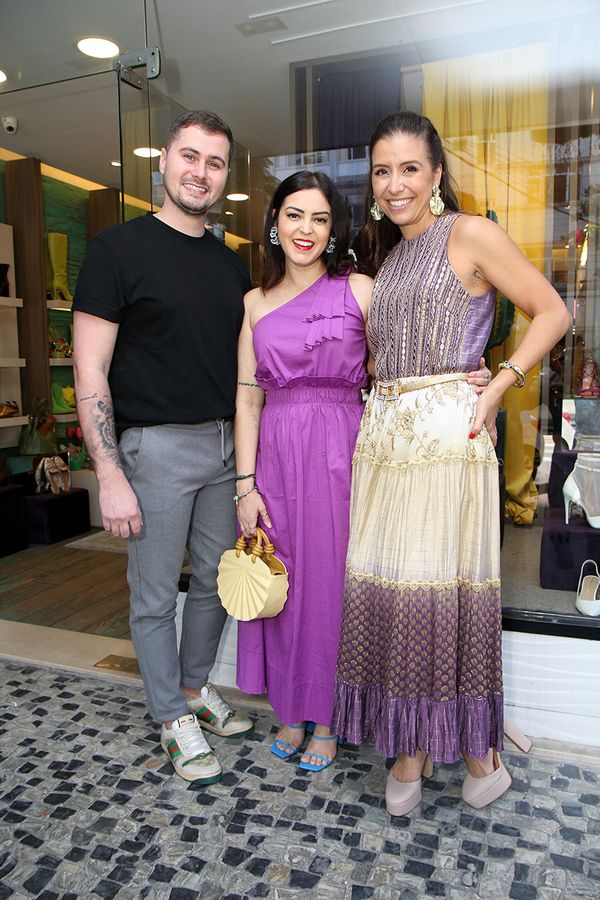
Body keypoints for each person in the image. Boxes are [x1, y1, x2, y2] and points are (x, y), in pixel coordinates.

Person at [332, 111, 571, 814]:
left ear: (436, 174)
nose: (396, 183)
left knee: (437, 594)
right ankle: (428, 743)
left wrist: (501, 382)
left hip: (446, 441)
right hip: (385, 445)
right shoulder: (390, 257)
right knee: (392, 590)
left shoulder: (469, 233)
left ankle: (468, 749)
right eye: (383, 171)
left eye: (410, 168)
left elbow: (553, 312)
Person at [233, 170, 489, 772]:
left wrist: (465, 378)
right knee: (285, 578)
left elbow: (402, 366)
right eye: (295, 215)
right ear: (274, 222)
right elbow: (247, 400)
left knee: (332, 585)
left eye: (320, 219)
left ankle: (329, 717)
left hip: (348, 449)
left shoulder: (362, 291)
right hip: (275, 455)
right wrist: (245, 486)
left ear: (333, 230)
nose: (306, 229)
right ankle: (291, 709)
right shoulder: (252, 303)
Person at [72, 110, 253, 785]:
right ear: (164, 163)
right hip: (154, 450)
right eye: (189, 156)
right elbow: (89, 371)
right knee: (153, 594)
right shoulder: (117, 250)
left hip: (220, 447)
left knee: (211, 583)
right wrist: (109, 473)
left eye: (214, 161)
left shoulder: (231, 266)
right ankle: (168, 714)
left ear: (224, 174)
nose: (200, 171)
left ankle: (194, 689)